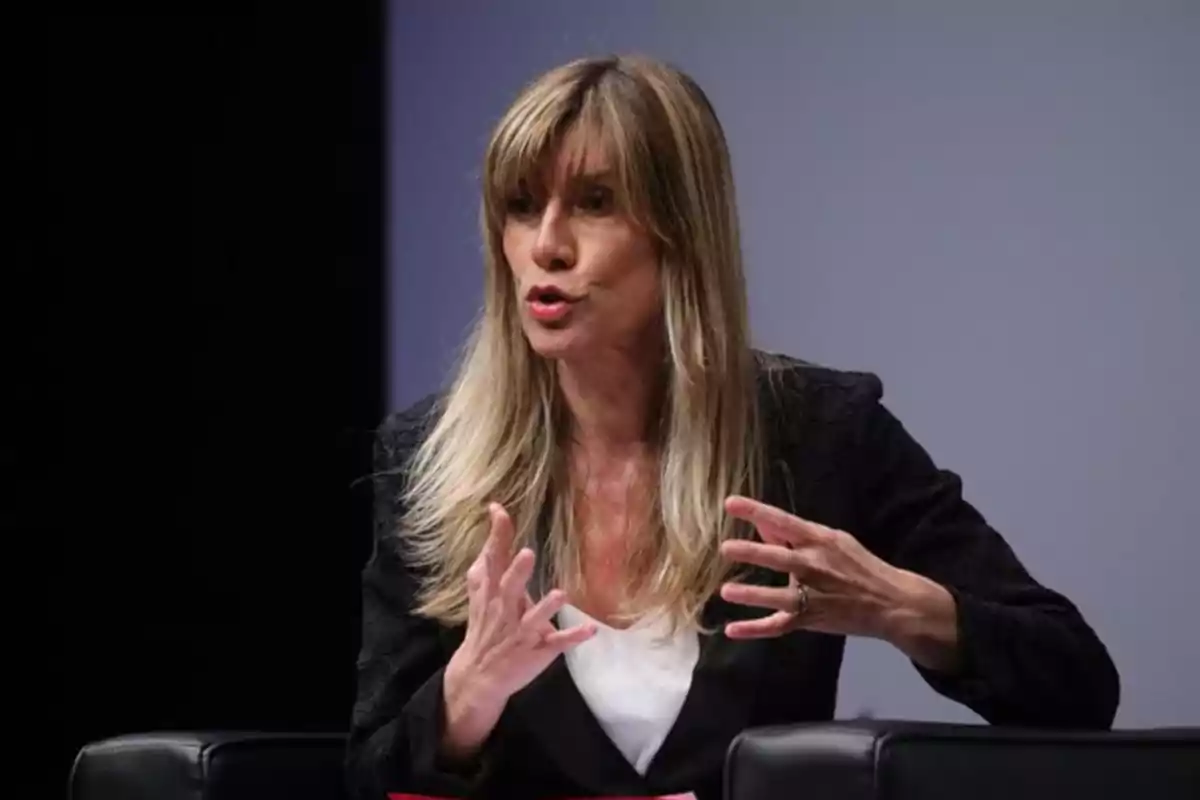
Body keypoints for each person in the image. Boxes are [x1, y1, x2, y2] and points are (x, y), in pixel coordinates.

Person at [345, 54, 1119, 800]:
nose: (546, 245)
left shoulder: (817, 435)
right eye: (521, 206)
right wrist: (464, 698)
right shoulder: (431, 461)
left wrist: (897, 606)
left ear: (679, 230)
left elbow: (1076, 683)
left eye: (594, 202)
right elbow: (368, 773)